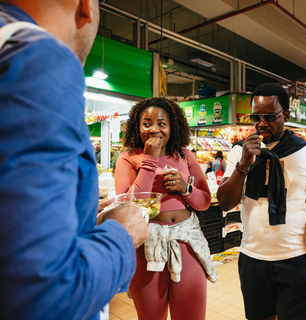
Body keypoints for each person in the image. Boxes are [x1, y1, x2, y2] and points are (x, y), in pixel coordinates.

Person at [0, 1, 150, 319]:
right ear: (86, 7)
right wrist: (122, 235)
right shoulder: (36, 58)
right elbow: (42, 292)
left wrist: (77, 212)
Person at [217, 83, 306, 320]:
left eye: (269, 116)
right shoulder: (240, 151)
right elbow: (225, 203)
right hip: (252, 260)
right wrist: (244, 164)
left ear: (286, 116)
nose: (261, 123)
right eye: (256, 116)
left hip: (295, 261)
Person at [115, 97, 217, 320]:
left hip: (186, 243)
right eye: (147, 123)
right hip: (147, 246)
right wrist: (150, 159)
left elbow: (205, 201)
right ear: (137, 126)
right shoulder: (128, 158)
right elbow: (128, 204)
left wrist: (185, 188)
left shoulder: (183, 155)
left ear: (172, 127)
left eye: (162, 123)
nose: (154, 129)